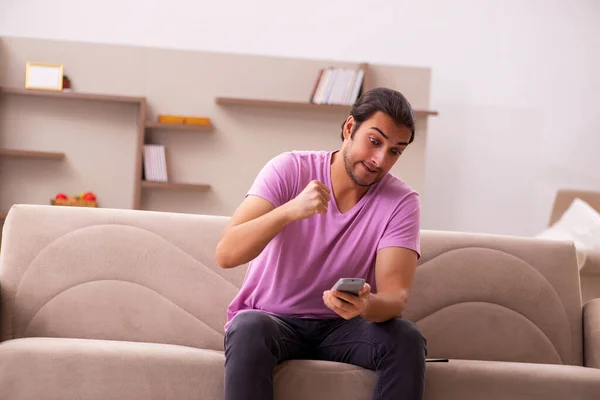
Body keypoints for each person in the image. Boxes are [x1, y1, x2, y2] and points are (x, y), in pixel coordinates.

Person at [216, 87, 427, 400]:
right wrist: (288, 211)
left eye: (395, 151)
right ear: (349, 128)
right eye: (374, 141)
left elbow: (395, 297)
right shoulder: (288, 169)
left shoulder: (402, 202)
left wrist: (367, 305)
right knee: (248, 327)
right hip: (274, 321)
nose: (380, 159)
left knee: (407, 338)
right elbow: (227, 253)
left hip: (343, 328)